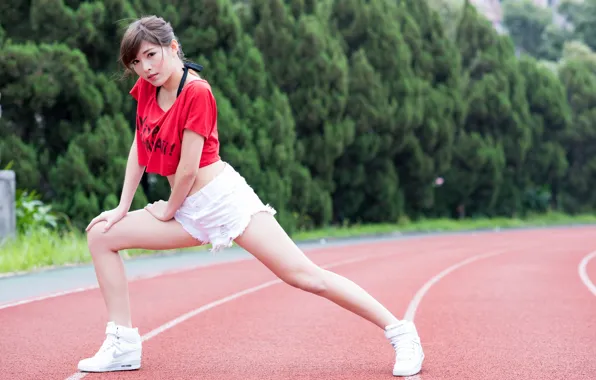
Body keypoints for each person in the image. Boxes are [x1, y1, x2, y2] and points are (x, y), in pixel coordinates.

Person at [77, 15, 424, 377]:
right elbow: (140, 144)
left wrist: (168, 210)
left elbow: (189, 170)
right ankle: (123, 345)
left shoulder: (197, 92)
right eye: (135, 62)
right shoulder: (149, 88)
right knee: (101, 234)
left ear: (173, 47)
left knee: (305, 276)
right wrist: (122, 206)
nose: (144, 67)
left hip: (221, 201)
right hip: (183, 208)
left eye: (151, 55)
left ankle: (401, 332)